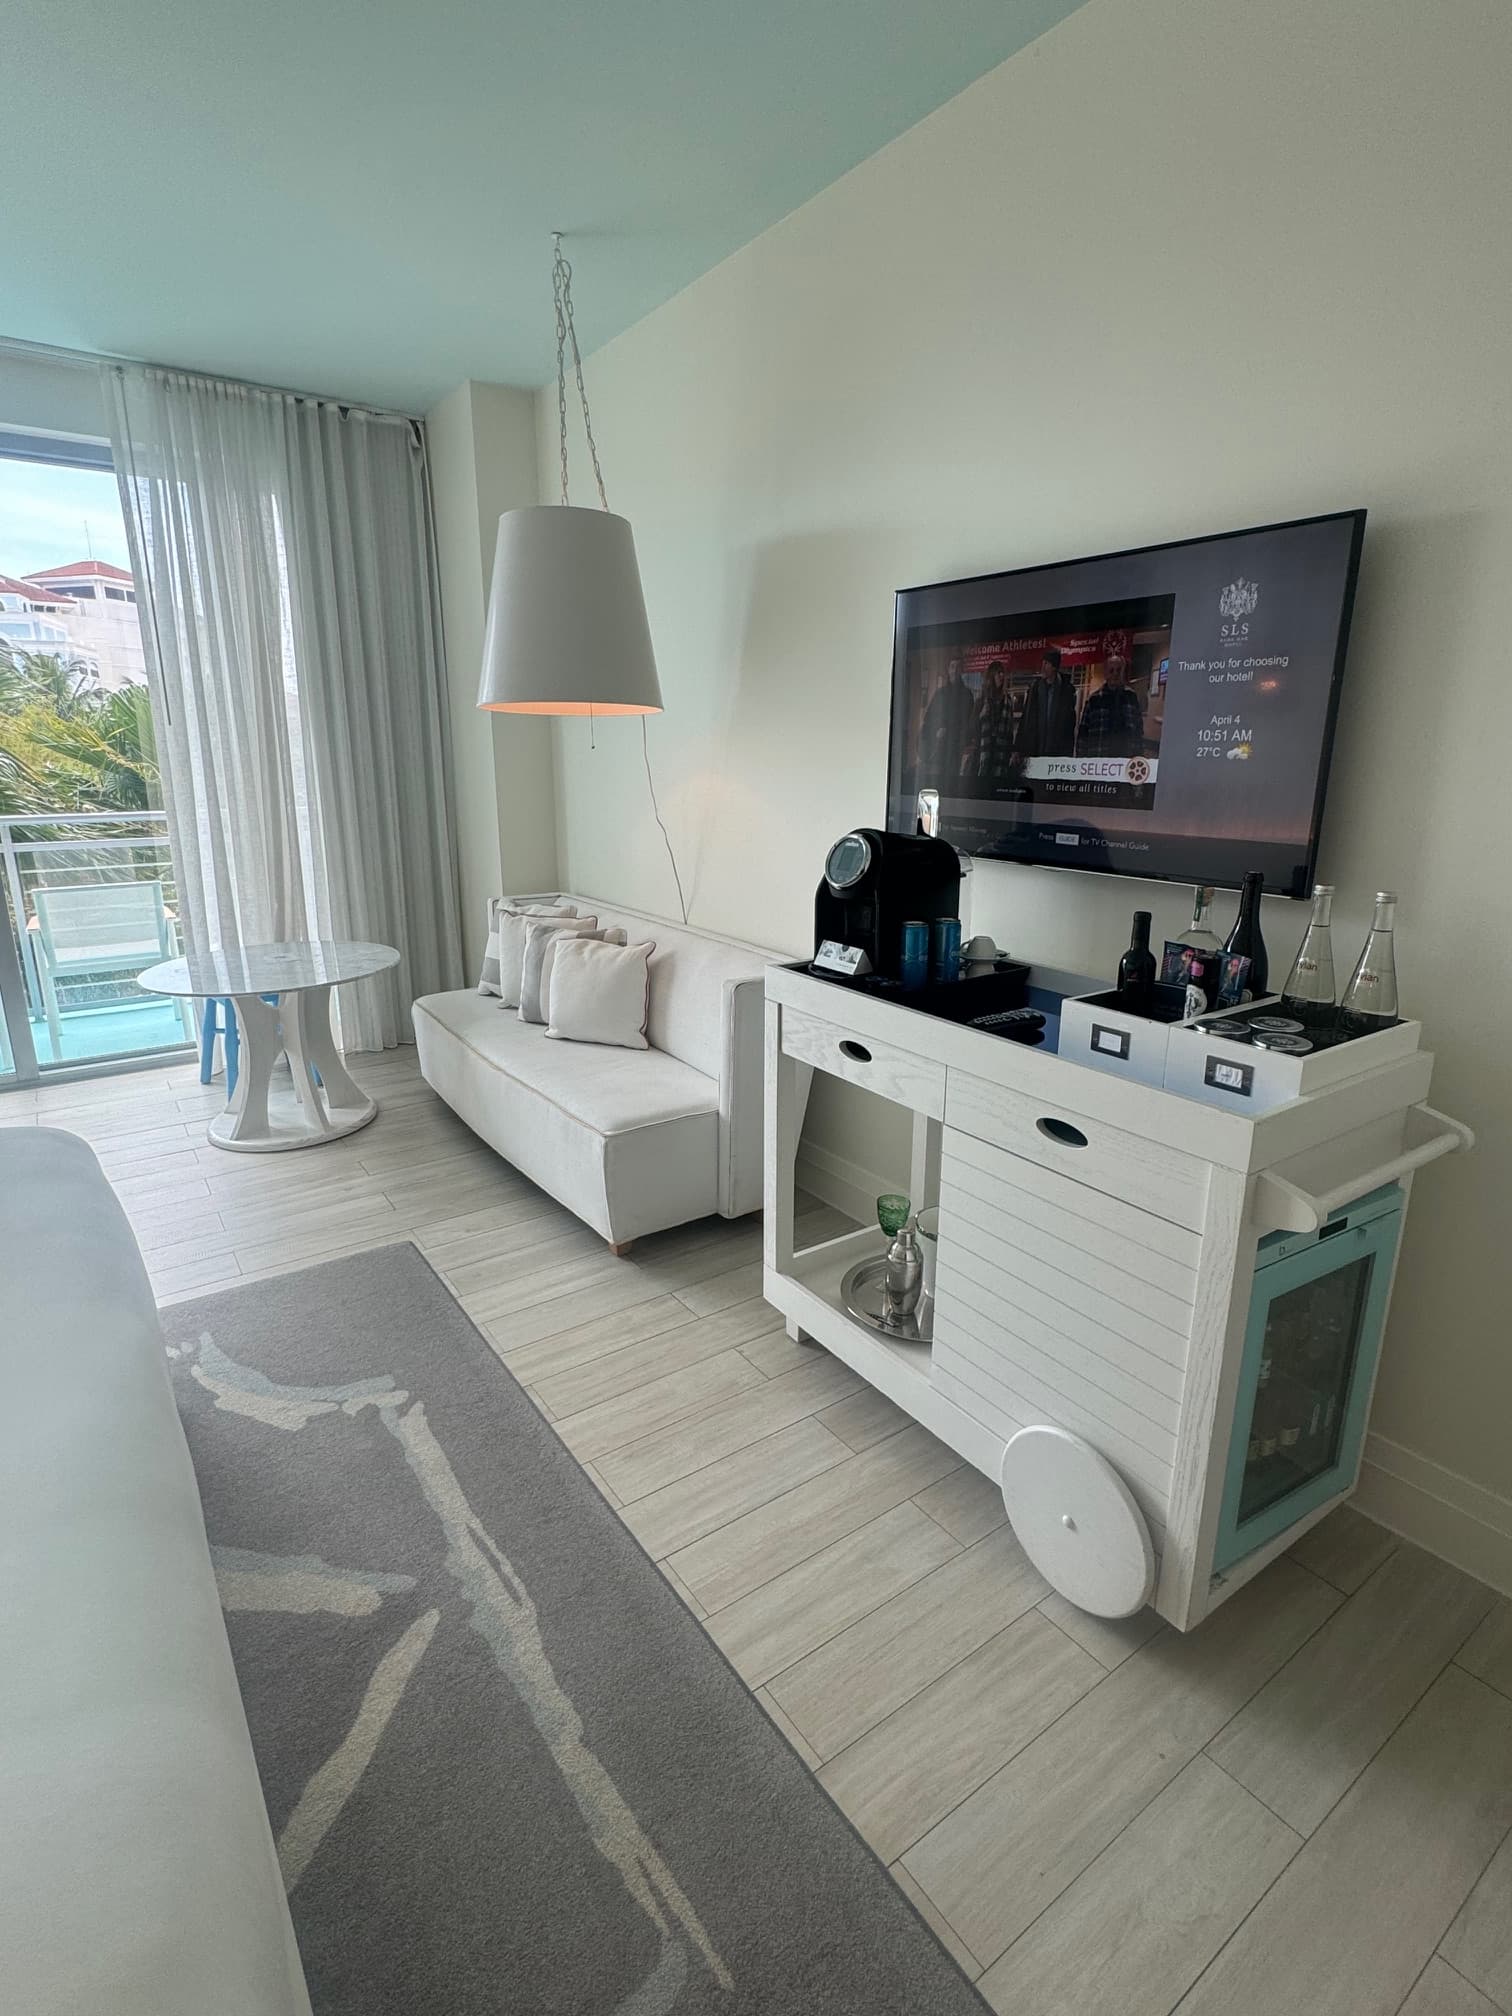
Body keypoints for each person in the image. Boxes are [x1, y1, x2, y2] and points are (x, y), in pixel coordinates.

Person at [919, 658, 977, 786]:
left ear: (962, 670)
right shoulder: (940, 693)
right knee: (936, 782)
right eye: (952, 666)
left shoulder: (967, 695)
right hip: (939, 746)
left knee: (952, 782)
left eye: (958, 667)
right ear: (948, 669)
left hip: (956, 747)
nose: (955, 670)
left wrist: (965, 741)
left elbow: (970, 722)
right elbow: (928, 718)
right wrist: (936, 730)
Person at [1014, 647, 1077, 762]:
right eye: (1043, 663)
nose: (1042, 667)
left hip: (1056, 754)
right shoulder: (1035, 689)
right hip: (1035, 751)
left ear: (1054, 667)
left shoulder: (1066, 691)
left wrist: (1068, 755)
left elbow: (1069, 726)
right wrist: (1018, 748)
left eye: (1046, 663)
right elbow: (1025, 720)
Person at [1077, 653, 1145, 759]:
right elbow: (1083, 734)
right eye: (1111, 670)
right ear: (1105, 673)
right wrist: (1081, 761)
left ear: (1123, 672)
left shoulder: (1131, 697)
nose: (1115, 674)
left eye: (1119, 670)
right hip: (1099, 759)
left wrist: (1139, 757)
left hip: (1126, 760)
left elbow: (1138, 731)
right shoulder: (1094, 699)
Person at [974, 660, 1015, 792]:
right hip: (984, 751)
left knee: (998, 788)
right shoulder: (981, 699)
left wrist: (1011, 752)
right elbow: (971, 728)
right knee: (982, 788)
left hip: (1001, 753)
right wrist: (981, 715)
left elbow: (1010, 731)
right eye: (998, 673)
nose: (1001, 676)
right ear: (991, 676)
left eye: (1003, 673)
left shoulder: (1008, 701)